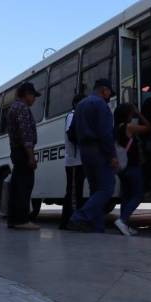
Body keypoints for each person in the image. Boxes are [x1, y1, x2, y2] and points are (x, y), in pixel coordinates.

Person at [67, 79, 118, 233]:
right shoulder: (101, 105)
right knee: (107, 188)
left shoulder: (80, 105)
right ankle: (79, 217)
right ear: (104, 90)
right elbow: (105, 134)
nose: (109, 96)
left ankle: (97, 226)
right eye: (109, 92)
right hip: (99, 151)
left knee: (95, 190)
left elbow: (71, 133)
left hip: (85, 151)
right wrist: (112, 155)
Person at [113, 103, 151, 236]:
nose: (132, 114)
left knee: (126, 196)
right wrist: (139, 114)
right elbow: (148, 128)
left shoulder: (115, 129)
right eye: (130, 112)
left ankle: (124, 224)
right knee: (138, 195)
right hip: (133, 166)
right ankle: (122, 220)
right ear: (127, 114)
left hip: (122, 168)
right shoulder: (128, 127)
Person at [6, 82, 41, 230]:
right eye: (33, 95)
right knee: (24, 186)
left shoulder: (13, 107)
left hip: (16, 150)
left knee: (16, 185)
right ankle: (22, 220)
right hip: (23, 152)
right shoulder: (22, 108)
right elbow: (25, 134)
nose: (34, 99)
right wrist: (31, 157)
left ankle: (13, 219)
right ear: (26, 94)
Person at [59, 93, 86, 229]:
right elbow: (72, 135)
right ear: (76, 104)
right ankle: (69, 222)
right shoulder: (72, 116)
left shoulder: (78, 116)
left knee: (76, 192)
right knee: (73, 193)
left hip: (78, 161)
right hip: (74, 161)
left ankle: (71, 221)